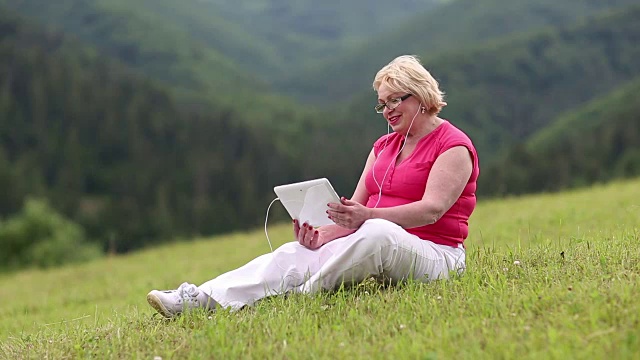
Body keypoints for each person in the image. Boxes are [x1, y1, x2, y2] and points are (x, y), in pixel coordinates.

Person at [146, 55, 480, 318]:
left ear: (421, 96)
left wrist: (367, 216)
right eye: (382, 103)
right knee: (296, 251)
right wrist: (323, 235)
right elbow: (353, 213)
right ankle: (201, 298)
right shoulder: (383, 146)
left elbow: (432, 210)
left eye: (395, 100)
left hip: (438, 257)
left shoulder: (453, 146)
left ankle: (301, 295)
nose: (388, 110)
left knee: (377, 232)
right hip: (377, 241)